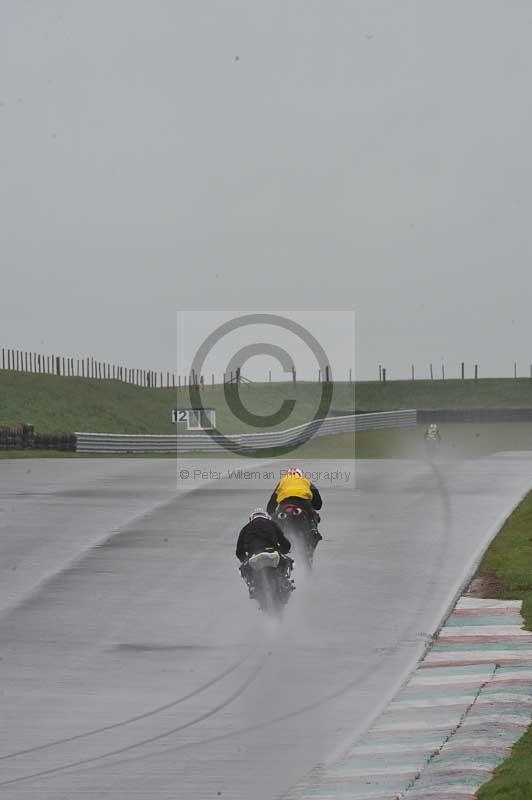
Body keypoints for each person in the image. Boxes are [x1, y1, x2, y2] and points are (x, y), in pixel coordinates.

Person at [236, 508, 293, 597]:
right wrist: (283, 550)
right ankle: (285, 582)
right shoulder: (272, 524)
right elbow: (285, 543)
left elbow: (239, 551)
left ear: (251, 519)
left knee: (245, 570)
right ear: (267, 517)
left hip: (254, 556)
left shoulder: (245, 528)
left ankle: (253, 587)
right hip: (272, 552)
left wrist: (244, 559)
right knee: (288, 562)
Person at [266, 468, 323, 546]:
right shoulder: (305, 480)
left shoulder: (283, 481)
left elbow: (271, 504)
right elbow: (318, 504)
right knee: (313, 515)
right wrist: (314, 506)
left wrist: (272, 514)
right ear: (300, 475)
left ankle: (272, 535)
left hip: (285, 503)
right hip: (303, 503)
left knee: (276, 519)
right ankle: (313, 530)